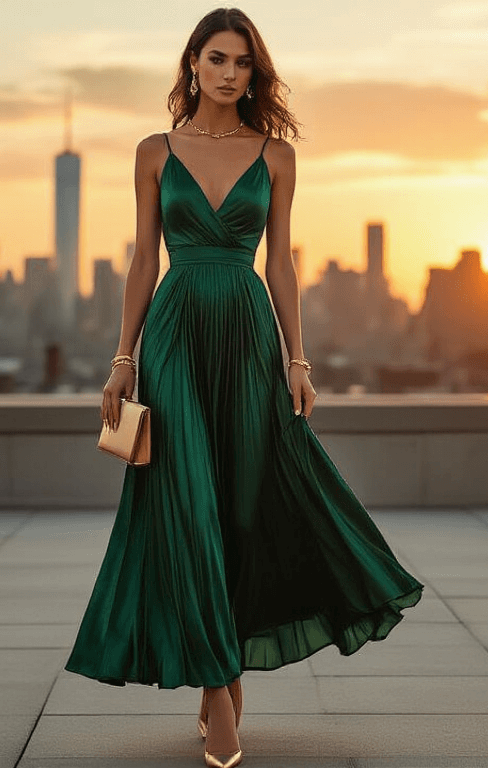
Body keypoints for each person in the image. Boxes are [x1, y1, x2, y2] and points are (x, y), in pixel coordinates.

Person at [64, 8, 424, 767]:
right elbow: (141, 261)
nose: (231, 73)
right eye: (218, 59)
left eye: (244, 64)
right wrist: (121, 360)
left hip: (250, 342)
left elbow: (282, 265)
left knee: (240, 509)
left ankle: (211, 671)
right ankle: (224, 696)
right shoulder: (153, 152)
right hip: (173, 341)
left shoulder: (278, 155)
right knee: (188, 501)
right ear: (192, 63)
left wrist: (299, 360)